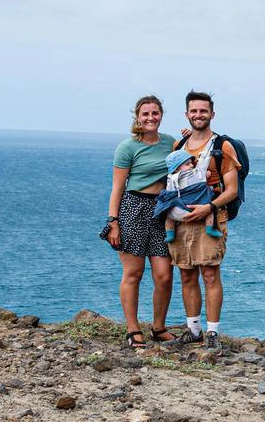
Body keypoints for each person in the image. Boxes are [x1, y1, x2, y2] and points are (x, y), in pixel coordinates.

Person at [100, 95, 178, 348]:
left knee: (164, 275)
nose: (150, 118)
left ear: (161, 115)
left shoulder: (171, 143)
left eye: (155, 113)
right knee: (133, 273)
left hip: (163, 211)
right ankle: (133, 329)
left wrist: (187, 136)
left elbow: (191, 157)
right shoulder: (127, 147)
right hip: (133, 208)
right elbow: (117, 188)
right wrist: (113, 221)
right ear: (137, 117)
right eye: (145, 114)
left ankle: (158, 327)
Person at [168, 90, 240, 351]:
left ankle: (212, 332)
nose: (198, 115)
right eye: (194, 111)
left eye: (203, 111)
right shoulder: (179, 147)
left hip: (210, 217)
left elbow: (231, 189)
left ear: (212, 113)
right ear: (187, 114)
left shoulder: (222, 147)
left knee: (210, 275)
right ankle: (193, 329)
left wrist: (208, 207)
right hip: (182, 220)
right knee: (186, 276)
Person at [155, 149, 222, 243]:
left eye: (191, 163)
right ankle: (209, 228)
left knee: (169, 216)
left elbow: (169, 192)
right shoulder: (193, 173)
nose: (191, 165)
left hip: (177, 210)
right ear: (177, 168)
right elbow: (200, 179)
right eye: (187, 164)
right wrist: (206, 176)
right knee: (210, 210)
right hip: (194, 209)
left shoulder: (170, 178)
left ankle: (170, 233)